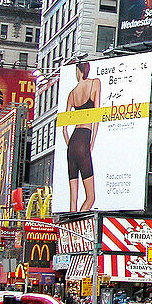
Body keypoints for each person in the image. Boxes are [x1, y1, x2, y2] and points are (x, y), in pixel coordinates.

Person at [61, 61, 101, 212]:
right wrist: (91, 143)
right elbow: (96, 118)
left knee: (73, 200)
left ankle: (70, 231)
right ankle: (77, 229)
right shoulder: (95, 84)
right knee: (90, 197)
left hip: (72, 142)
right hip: (84, 138)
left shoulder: (72, 94)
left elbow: (64, 128)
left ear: (79, 71)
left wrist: (69, 144)